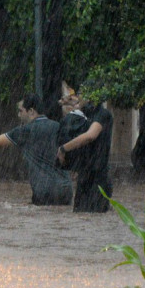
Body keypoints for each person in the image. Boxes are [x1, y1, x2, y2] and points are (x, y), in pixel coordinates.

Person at [0, 93, 73, 205]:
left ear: (31, 111)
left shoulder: (25, 130)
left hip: (45, 192)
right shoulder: (58, 126)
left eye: (21, 111)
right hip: (66, 190)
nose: (18, 115)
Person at [56, 83, 114, 213]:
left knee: (95, 218)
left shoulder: (103, 114)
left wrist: (64, 149)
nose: (78, 97)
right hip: (84, 177)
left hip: (99, 179)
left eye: (81, 94)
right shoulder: (86, 115)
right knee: (80, 216)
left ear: (91, 96)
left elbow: (90, 136)